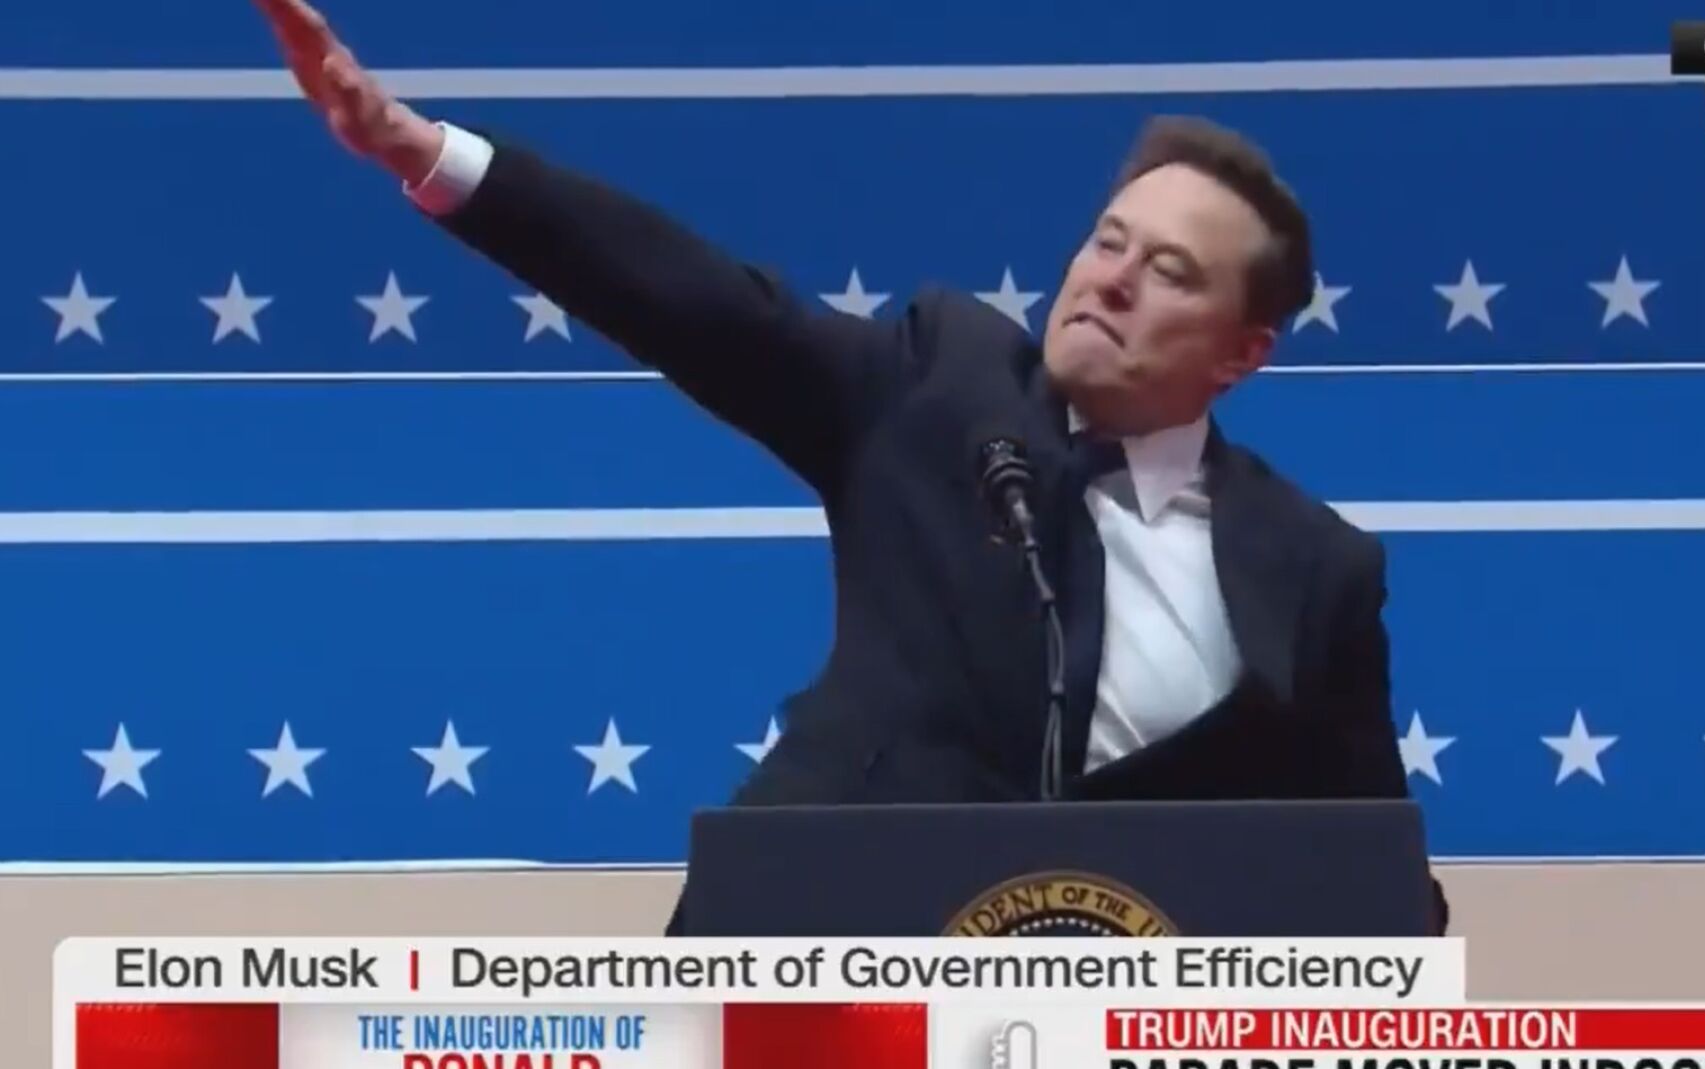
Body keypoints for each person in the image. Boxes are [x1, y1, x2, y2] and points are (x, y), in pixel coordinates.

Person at [255, 0, 1447, 934]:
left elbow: (1372, 875)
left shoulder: (1314, 567)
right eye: (1107, 241)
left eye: (1170, 271)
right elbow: (701, 304)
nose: (1112, 279)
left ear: (1243, 352)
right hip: (817, 949)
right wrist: (426, 154)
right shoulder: (943, 385)